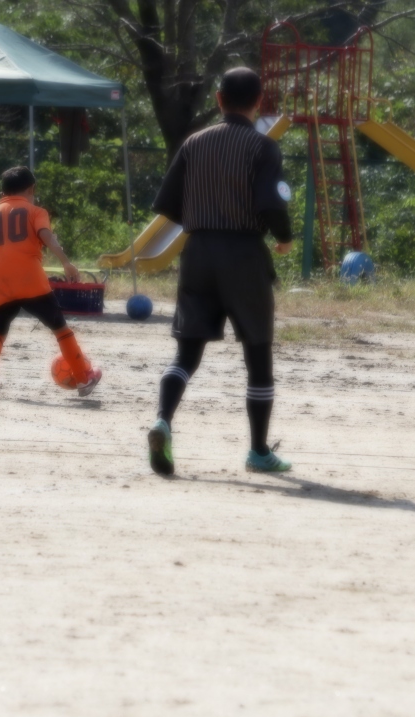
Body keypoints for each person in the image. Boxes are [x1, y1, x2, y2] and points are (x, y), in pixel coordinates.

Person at [146, 67, 294, 476]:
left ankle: (162, 421)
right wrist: (284, 237)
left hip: (197, 253)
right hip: (243, 255)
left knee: (186, 352)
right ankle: (258, 452)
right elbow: (271, 204)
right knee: (257, 353)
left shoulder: (194, 142)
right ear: (259, 101)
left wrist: (202, 221)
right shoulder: (263, 147)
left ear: (218, 99)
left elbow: (167, 203)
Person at [0, 166, 102, 399]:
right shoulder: (36, 211)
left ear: (3, 192)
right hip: (28, 279)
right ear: (31, 189)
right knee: (60, 329)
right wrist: (66, 262)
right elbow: (45, 235)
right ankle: (83, 378)